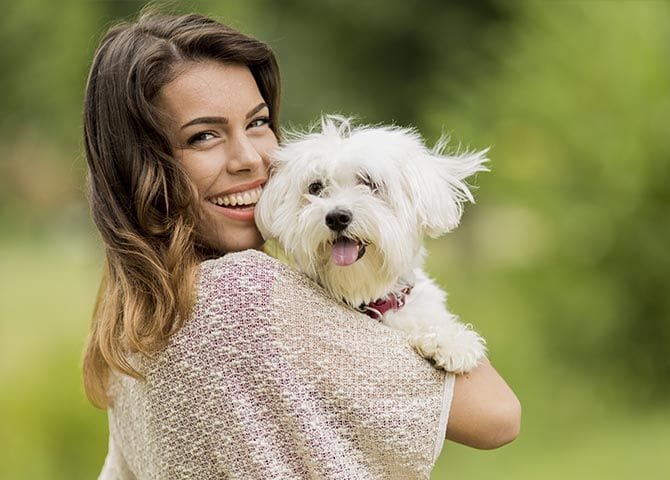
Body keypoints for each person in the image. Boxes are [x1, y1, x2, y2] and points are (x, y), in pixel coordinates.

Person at [82, 9, 520, 479]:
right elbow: (496, 416)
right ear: (141, 168)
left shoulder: (132, 324)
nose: (250, 159)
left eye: (257, 122)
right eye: (203, 136)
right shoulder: (243, 293)